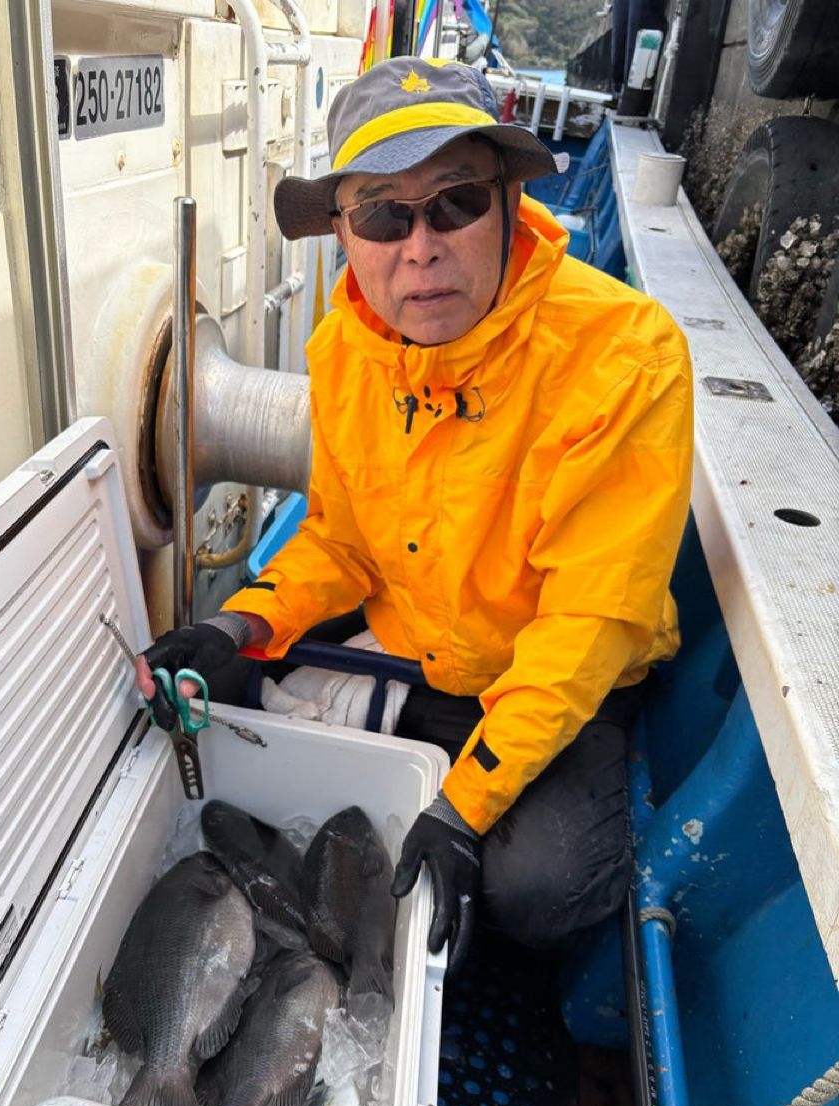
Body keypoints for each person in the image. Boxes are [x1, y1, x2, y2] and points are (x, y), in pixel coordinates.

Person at [136, 57, 693, 974]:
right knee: (212, 689)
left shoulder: (627, 357)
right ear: (343, 234)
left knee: (543, 889)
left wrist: (464, 806)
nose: (421, 247)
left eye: (455, 202)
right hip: (411, 643)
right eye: (383, 216)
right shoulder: (342, 352)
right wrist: (240, 622)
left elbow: (588, 628)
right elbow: (341, 544)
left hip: (554, 677)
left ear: (510, 201)